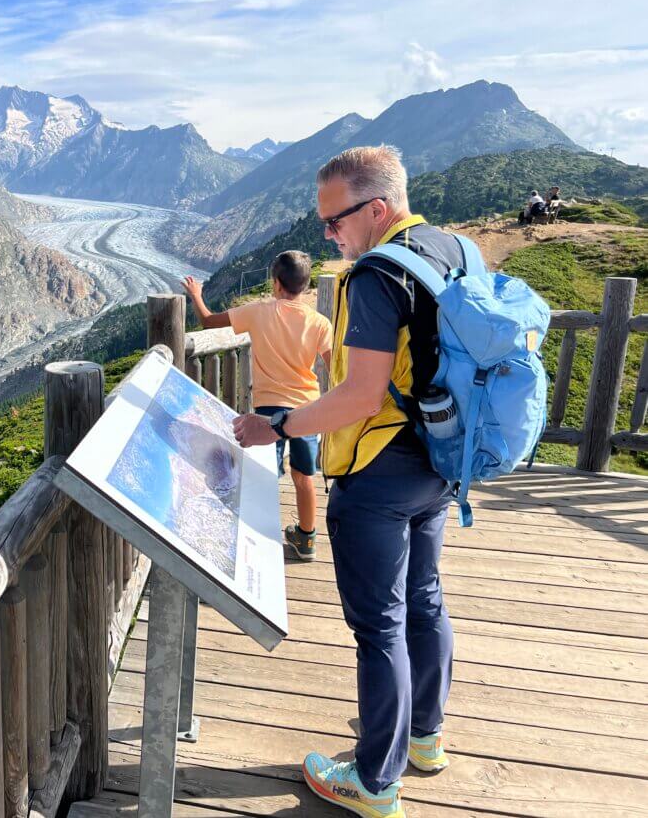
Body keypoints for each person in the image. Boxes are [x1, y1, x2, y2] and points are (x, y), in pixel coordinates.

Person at [232, 145, 468, 817]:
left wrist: (276, 427)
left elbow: (361, 395)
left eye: (334, 220)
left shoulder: (375, 275)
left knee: (379, 625)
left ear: (377, 208)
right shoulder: (449, 248)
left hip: (379, 468)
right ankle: (424, 738)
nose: (328, 235)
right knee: (424, 596)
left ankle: (374, 779)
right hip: (441, 457)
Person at [182, 251, 331, 561]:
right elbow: (334, 366)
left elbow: (208, 321)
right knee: (304, 477)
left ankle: (253, 546)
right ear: (305, 285)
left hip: (268, 413)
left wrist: (197, 295)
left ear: (276, 283)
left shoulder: (258, 311)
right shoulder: (319, 322)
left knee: (261, 480)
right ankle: (306, 540)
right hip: (306, 411)